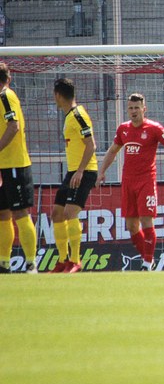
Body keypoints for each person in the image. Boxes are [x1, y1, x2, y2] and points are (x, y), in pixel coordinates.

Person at [98, 93, 164, 271]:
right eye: (130, 108)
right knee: (131, 226)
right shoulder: (123, 129)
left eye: (137, 108)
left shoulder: (154, 128)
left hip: (146, 181)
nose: (133, 111)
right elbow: (113, 151)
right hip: (128, 182)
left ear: (144, 109)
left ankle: (147, 263)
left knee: (146, 221)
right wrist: (101, 172)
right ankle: (148, 259)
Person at [49, 78, 98, 274]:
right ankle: (62, 260)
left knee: (70, 213)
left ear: (58, 95)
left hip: (84, 171)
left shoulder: (78, 115)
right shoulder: (70, 116)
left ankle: (75, 261)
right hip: (73, 171)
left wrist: (80, 171)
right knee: (56, 214)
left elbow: (91, 145)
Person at [0, 62, 38, 274]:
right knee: (3, 214)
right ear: (9, 77)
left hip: (15, 163)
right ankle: (4, 263)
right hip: (3, 165)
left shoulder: (6, 96)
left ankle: (31, 263)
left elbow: (13, 126)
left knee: (20, 212)